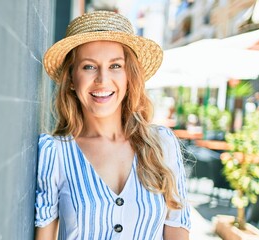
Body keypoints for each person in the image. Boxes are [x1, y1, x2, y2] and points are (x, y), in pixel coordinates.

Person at [34, 11, 191, 240]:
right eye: (89, 67)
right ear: (70, 79)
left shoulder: (162, 145)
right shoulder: (55, 153)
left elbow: (177, 228)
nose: (102, 80)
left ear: (129, 75)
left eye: (115, 66)